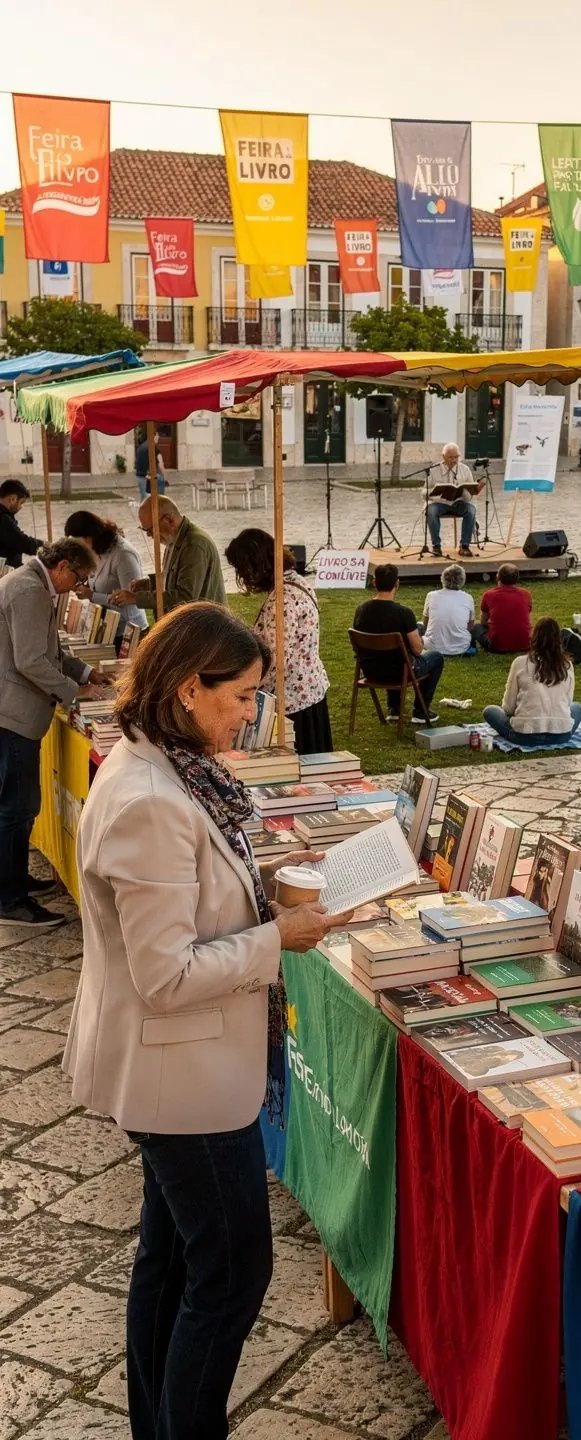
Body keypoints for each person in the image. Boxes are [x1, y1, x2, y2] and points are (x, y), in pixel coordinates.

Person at [63, 602, 352, 1440]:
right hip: (180, 1078)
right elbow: (165, 975)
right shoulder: (152, 796)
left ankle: (157, 1425)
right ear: (189, 688)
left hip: (178, 1069)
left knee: (171, 1259)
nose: (251, 714)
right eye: (242, 697)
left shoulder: (173, 767)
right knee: (228, 1275)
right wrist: (278, 936)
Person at [0, 539, 107, 928]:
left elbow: (49, 651)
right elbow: (30, 660)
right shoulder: (29, 590)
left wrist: (84, 672)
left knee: (18, 806)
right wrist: (73, 691)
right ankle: (11, 900)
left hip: (15, 712)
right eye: (78, 578)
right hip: (13, 715)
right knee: (16, 807)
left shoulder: (30, 584)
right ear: (62, 566)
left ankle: (13, 883)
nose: (78, 586)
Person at [225, 528, 332, 755]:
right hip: (309, 692)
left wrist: (246, 688)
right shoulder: (298, 582)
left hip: (293, 701)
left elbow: (275, 659)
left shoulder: (282, 600)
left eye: (242, 570)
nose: (243, 578)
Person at [353, 563, 443, 724]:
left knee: (390, 655)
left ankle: (394, 708)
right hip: (399, 672)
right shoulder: (403, 613)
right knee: (436, 657)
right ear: (397, 584)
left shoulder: (361, 610)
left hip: (370, 670)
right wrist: (419, 640)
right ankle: (420, 711)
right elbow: (417, 650)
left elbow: (356, 647)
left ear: (374, 583)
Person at [111, 497, 226, 615]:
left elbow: (185, 597)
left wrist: (136, 598)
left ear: (170, 520)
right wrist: (148, 584)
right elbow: (174, 577)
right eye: (145, 531)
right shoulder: (174, 538)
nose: (150, 535)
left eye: (150, 530)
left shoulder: (193, 545)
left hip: (206, 625)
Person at [483, 616, 581, 747]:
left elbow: (508, 708)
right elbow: (568, 703)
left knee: (490, 711)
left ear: (534, 637)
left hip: (525, 735)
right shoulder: (567, 665)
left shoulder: (520, 663)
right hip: (561, 735)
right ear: (558, 640)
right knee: (577, 707)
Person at [64, 510, 147, 640]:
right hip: (106, 628)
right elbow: (99, 582)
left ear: (90, 537)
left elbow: (130, 600)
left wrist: (91, 595)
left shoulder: (123, 555)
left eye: (80, 544)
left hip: (128, 632)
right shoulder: (96, 550)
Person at [426, 443, 484, 558]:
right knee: (431, 511)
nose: (454, 460)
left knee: (471, 510)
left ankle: (464, 546)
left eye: (456, 457)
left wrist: (468, 491)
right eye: (450, 457)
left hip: (458, 502)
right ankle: (436, 547)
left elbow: (468, 498)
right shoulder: (433, 470)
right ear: (443, 456)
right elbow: (424, 491)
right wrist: (435, 493)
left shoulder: (465, 469)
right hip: (439, 503)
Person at [472, 563, 533, 653]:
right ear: (517, 579)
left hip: (496, 647)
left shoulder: (489, 595)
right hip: (525, 644)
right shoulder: (526, 594)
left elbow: (483, 622)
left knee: (476, 627)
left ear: (497, 577)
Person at [420, 564, 475, 657]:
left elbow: (425, 623)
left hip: (432, 647)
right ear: (462, 580)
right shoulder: (468, 598)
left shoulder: (431, 595)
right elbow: (470, 626)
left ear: (443, 578)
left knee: (418, 626)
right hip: (461, 647)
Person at [0, 479, 39, 570]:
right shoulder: (3, 519)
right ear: (12, 499)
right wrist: (47, 546)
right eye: (21, 502)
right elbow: (22, 542)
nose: (22, 507)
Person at [135, 433, 167, 501]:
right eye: (157, 435)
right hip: (149, 477)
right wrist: (165, 479)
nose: (158, 436)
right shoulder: (153, 448)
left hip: (140, 476)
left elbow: (138, 463)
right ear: (153, 436)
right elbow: (161, 465)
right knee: (160, 499)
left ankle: (143, 511)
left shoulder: (141, 447)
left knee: (144, 499)